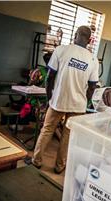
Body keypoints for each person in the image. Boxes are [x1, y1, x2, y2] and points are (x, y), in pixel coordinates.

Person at [31, 26, 99, 174]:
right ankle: (59, 166)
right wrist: (85, 102)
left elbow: (49, 77)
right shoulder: (93, 59)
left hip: (58, 101)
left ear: (75, 35)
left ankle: (36, 160)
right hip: (78, 105)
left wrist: (50, 97)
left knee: (47, 130)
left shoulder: (61, 50)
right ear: (89, 40)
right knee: (68, 135)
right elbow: (93, 86)